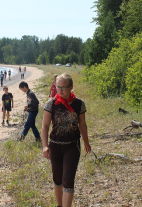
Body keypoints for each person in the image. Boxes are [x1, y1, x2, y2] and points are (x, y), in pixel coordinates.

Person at [41, 73, 91, 207]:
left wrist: (86, 142)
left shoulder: (79, 104)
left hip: (72, 146)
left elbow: (82, 125)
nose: (61, 90)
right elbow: (45, 126)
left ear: (71, 87)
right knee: (58, 179)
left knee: (68, 179)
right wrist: (45, 146)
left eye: (64, 87)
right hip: (55, 146)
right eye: (58, 87)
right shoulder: (51, 104)